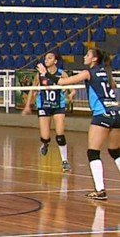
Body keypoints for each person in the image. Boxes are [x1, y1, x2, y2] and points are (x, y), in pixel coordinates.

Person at [36, 49, 120, 200]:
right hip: (117, 112)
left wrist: (45, 73)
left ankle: (100, 190)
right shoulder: (106, 73)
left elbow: (62, 82)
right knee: (116, 152)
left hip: (102, 114)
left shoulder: (89, 72)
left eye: (87, 55)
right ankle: (100, 190)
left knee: (93, 152)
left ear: (94, 59)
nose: (85, 57)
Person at [23, 52, 74, 172]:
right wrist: (27, 106)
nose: (46, 60)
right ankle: (45, 143)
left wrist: (71, 94)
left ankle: (64, 161)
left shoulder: (62, 74)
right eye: (45, 58)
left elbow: (72, 88)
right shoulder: (39, 75)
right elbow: (33, 90)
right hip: (44, 106)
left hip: (58, 106)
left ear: (55, 61)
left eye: (49, 58)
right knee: (45, 136)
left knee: (60, 134)